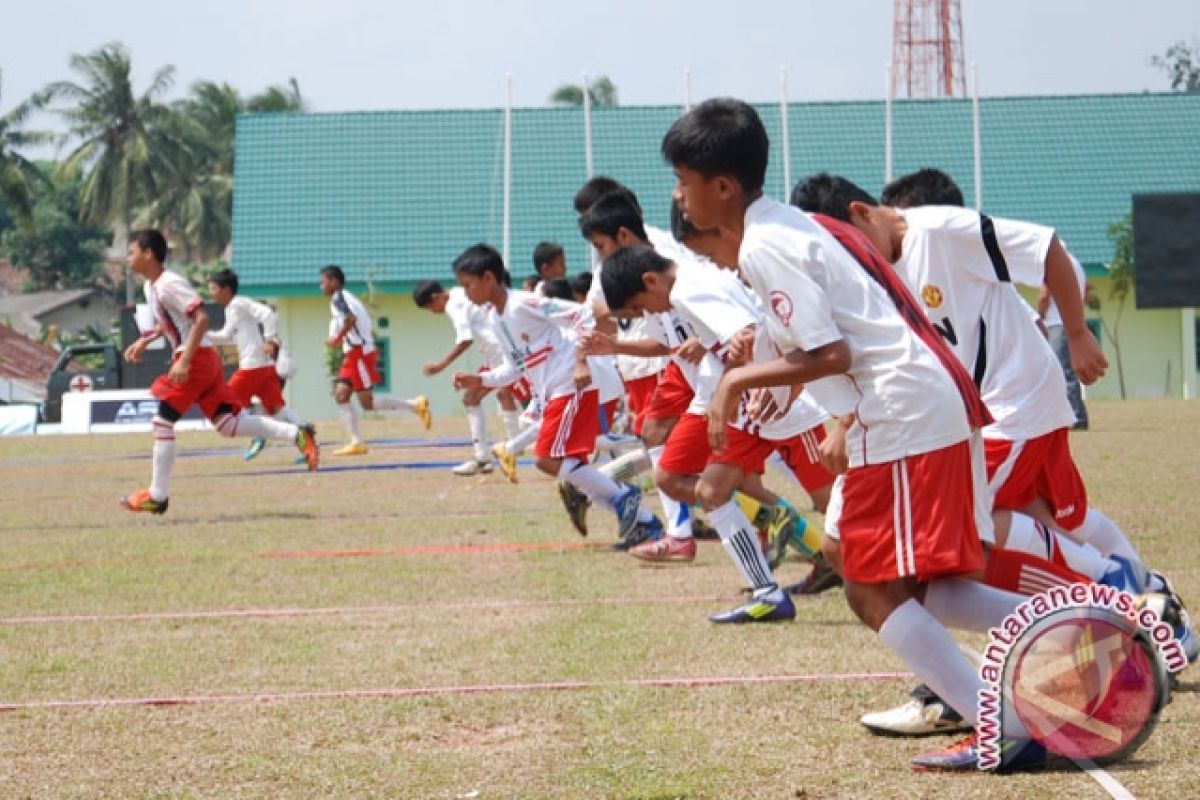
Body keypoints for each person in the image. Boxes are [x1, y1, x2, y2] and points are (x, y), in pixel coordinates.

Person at [661, 99, 1051, 771]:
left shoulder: (765, 243)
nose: (678, 195)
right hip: (911, 403)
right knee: (874, 565)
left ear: (721, 187)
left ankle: (1007, 721)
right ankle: (1073, 622)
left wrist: (733, 382)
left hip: (901, 409)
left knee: (870, 589)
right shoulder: (797, 223)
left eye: (682, 179)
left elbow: (835, 353)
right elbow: (854, 318)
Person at [450, 243, 663, 547]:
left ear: (488, 278)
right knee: (574, 468)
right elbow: (515, 367)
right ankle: (645, 523)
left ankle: (624, 495)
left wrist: (579, 361)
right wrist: (480, 379)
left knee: (547, 459)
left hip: (571, 386)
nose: (466, 293)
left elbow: (581, 315)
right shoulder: (495, 320)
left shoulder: (523, 304)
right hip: (555, 393)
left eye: (468, 284)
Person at [120, 230, 318, 514]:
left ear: (148, 253)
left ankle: (158, 495)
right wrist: (145, 339)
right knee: (229, 425)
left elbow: (201, 317)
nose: (128, 258)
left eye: (131, 252)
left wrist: (185, 360)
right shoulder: (152, 288)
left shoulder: (168, 284)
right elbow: (172, 320)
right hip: (203, 357)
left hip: (196, 359)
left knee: (162, 423)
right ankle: (297, 434)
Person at [414, 279, 524, 475]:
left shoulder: (453, 305)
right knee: (501, 395)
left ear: (436, 297)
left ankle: (494, 454)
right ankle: (508, 448)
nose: (435, 312)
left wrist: (442, 364)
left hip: (501, 353)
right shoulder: (458, 292)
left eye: (432, 308)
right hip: (502, 348)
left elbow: (465, 339)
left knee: (474, 398)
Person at [320, 265, 431, 455]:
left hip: (360, 353)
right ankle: (356, 442)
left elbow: (351, 319)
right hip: (353, 354)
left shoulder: (340, 298)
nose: (320, 286)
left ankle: (415, 405)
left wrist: (337, 338)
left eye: (323, 282)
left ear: (333, 281)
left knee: (367, 403)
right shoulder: (341, 298)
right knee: (341, 395)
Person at [206, 268, 301, 461]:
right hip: (262, 366)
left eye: (214, 288)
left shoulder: (239, 303)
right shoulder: (231, 308)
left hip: (253, 366)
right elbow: (225, 336)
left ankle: (259, 435)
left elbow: (267, 313)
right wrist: (201, 335)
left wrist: (269, 339)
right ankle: (307, 440)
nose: (211, 293)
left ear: (226, 289)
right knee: (277, 410)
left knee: (228, 402)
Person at [1037, 256, 1091, 430]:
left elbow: (1045, 295)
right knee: (1068, 372)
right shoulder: (1077, 265)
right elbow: (1087, 292)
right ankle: (1076, 414)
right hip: (1070, 322)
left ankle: (1076, 416)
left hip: (1057, 323)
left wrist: (1040, 315)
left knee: (1061, 372)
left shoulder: (1055, 263)